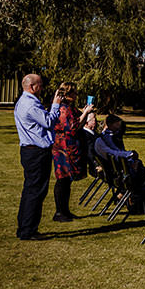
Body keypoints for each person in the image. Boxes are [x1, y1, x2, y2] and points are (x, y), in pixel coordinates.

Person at [14, 74, 61, 240]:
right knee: (36, 191)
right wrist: (55, 106)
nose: (42, 88)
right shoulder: (29, 104)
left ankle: (24, 227)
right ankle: (28, 230)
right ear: (32, 87)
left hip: (31, 150)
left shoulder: (26, 101)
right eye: (40, 85)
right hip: (36, 152)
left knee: (30, 190)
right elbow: (48, 122)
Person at [51, 81, 93, 222]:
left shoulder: (69, 108)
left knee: (67, 180)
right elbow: (73, 127)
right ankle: (59, 212)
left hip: (70, 146)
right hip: (64, 148)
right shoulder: (64, 109)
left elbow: (79, 123)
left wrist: (85, 113)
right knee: (62, 179)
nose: (76, 95)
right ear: (68, 94)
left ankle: (65, 210)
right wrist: (86, 112)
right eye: (74, 92)